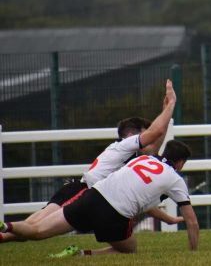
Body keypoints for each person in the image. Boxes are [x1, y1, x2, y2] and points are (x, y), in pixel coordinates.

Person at [0, 79, 182, 243]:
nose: (148, 137)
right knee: (34, 229)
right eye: (145, 132)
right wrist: (169, 106)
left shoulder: (131, 158)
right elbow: (154, 136)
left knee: (31, 228)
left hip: (87, 195)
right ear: (131, 135)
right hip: (81, 192)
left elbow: (152, 150)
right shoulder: (124, 148)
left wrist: (165, 113)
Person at [0, 140, 199, 256]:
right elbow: (192, 222)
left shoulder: (142, 158)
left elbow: (135, 195)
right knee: (130, 248)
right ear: (181, 163)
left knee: (36, 230)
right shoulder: (175, 179)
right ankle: (87, 254)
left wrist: (168, 219)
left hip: (92, 195)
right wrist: (193, 253)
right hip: (114, 213)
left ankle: (6, 226)